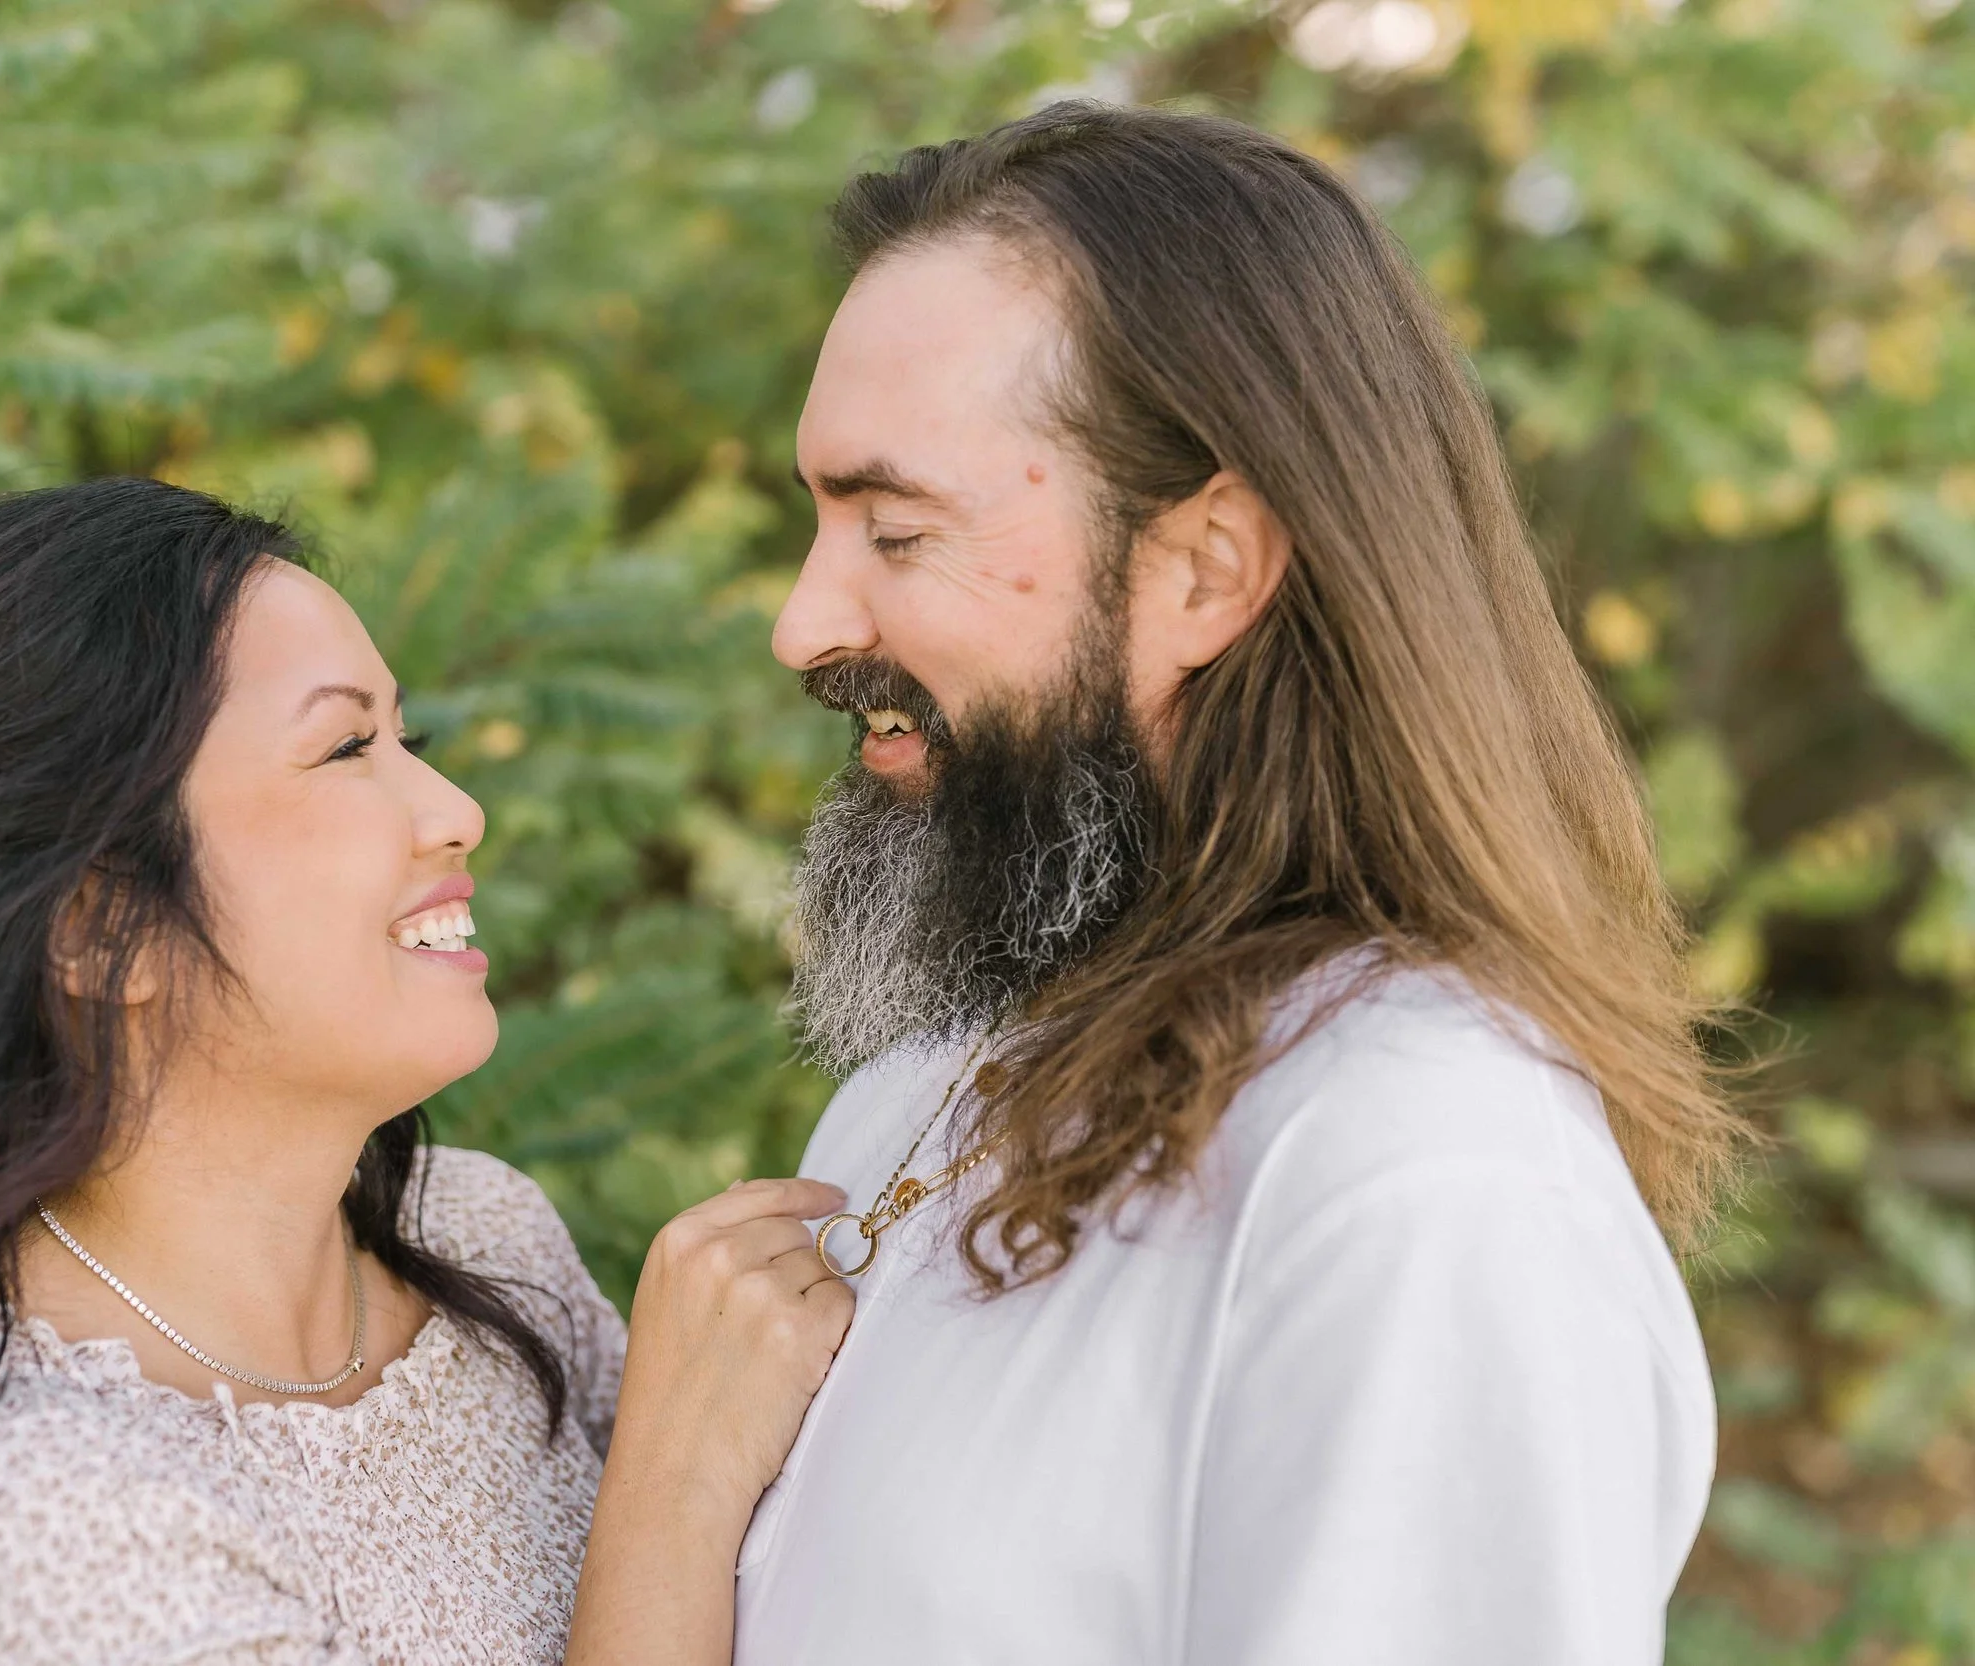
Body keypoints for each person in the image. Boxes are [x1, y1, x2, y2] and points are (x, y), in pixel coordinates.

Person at [738, 104, 1744, 1664]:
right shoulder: (921, 1086)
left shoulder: (1415, 1176)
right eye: (821, 524)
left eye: (894, 527)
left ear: (1204, 570)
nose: (807, 623)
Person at [0, 478, 851, 1665]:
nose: (454, 806)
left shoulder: (483, 1240)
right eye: (346, 749)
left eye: (407, 735)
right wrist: (674, 1486)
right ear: (95, 925)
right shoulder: (26, 1518)